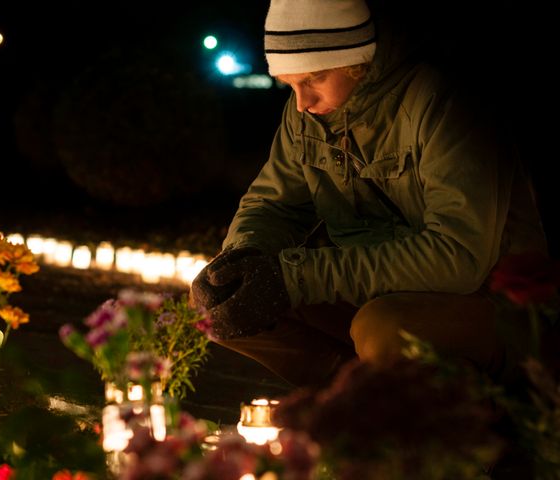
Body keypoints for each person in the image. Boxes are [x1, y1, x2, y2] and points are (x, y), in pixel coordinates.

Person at [191, 0, 548, 388]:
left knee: (382, 327)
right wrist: (243, 258)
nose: (301, 102)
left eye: (313, 78)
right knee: (231, 306)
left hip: (493, 304)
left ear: (355, 62)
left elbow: (458, 257)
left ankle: (479, 415)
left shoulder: (440, 100)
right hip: (370, 295)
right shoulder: (307, 114)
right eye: (289, 85)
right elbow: (271, 203)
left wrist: (294, 277)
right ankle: (350, 404)